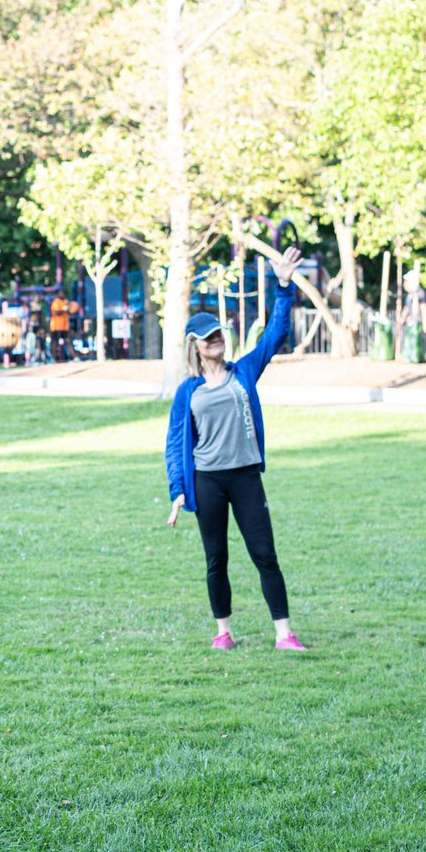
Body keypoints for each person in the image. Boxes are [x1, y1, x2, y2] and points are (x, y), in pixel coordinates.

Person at [165, 246, 306, 651]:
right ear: (194, 345)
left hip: (245, 477)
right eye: (208, 338)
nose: (216, 341)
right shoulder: (187, 392)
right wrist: (178, 490)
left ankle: (284, 634)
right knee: (216, 559)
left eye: (219, 335)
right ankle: (223, 632)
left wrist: (282, 284)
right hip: (208, 481)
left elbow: (275, 334)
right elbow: (176, 445)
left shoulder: (243, 371)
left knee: (265, 554)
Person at [50, 289, 71, 362]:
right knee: (55, 343)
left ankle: (74, 357)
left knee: (68, 341)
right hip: (56, 326)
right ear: (58, 294)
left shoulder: (65, 302)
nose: (62, 294)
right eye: (61, 293)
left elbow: (69, 311)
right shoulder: (56, 302)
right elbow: (57, 312)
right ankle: (53, 359)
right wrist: (64, 309)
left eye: (63, 293)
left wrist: (68, 307)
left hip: (64, 326)